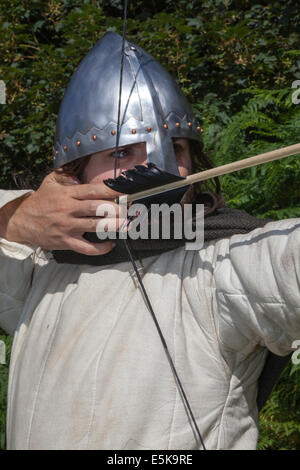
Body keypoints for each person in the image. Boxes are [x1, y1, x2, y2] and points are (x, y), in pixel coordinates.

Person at [0, 32, 299, 451]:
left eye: (175, 148)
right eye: (121, 153)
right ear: (74, 174)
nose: (157, 167)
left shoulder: (222, 265)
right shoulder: (36, 267)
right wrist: (14, 218)